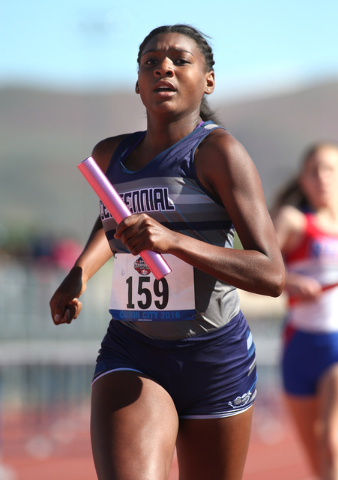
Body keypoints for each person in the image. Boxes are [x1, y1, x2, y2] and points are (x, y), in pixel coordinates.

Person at [50, 24, 285, 480]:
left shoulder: (218, 152)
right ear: (137, 83)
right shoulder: (110, 155)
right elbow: (110, 224)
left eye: (180, 60)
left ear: (208, 80)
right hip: (133, 350)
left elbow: (271, 274)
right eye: (151, 62)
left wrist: (174, 241)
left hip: (215, 358)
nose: (165, 69)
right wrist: (77, 274)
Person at [272, 142, 338, 480]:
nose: (322, 178)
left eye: (329, 170)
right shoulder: (294, 221)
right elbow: (258, 269)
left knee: (331, 440)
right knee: (316, 460)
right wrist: (290, 281)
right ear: (303, 178)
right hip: (299, 347)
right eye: (315, 170)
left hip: (335, 347)